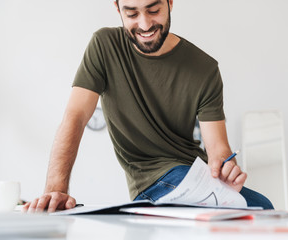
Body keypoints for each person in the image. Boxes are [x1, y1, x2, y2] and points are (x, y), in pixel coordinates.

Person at [23, 0, 273, 213]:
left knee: (263, 208)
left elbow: (218, 150)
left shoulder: (204, 68)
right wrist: (55, 190)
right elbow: (75, 117)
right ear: (117, 8)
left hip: (194, 177)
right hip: (152, 184)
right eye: (131, 13)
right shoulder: (104, 45)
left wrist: (226, 170)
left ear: (170, 3)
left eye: (154, 11)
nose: (144, 25)